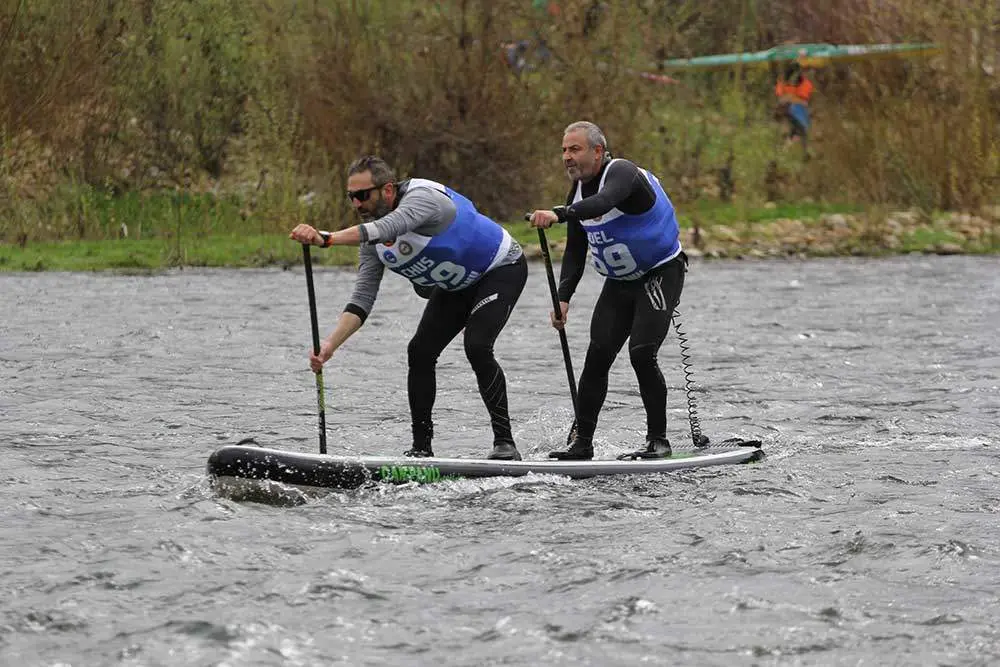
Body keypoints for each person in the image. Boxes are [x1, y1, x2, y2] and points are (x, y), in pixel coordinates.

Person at [289, 156, 528, 461]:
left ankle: (505, 444)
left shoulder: (423, 199)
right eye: (351, 197)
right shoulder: (371, 242)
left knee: (478, 346)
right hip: (457, 285)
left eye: (364, 195)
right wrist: (328, 346)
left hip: (500, 268)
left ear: (388, 190)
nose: (357, 204)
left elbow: (391, 225)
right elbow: (362, 300)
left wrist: (326, 238)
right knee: (420, 352)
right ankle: (421, 448)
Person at [528, 121, 686, 461]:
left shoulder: (623, 173)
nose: (567, 157)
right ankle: (582, 443)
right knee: (597, 356)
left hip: (660, 274)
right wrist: (563, 297)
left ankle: (658, 440)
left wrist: (559, 213)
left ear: (598, 151)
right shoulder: (577, 191)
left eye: (575, 149)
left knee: (642, 353)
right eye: (564, 150)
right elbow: (575, 250)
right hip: (619, 283)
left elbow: (604, 202)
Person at [774, 62, 814, 156]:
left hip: (796, 108)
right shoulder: (799, 127)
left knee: (783, 93)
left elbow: (791, 99)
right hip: (796, 106)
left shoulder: (798, 126)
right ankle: (798, 65)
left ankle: (796, 65)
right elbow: (787, 98)